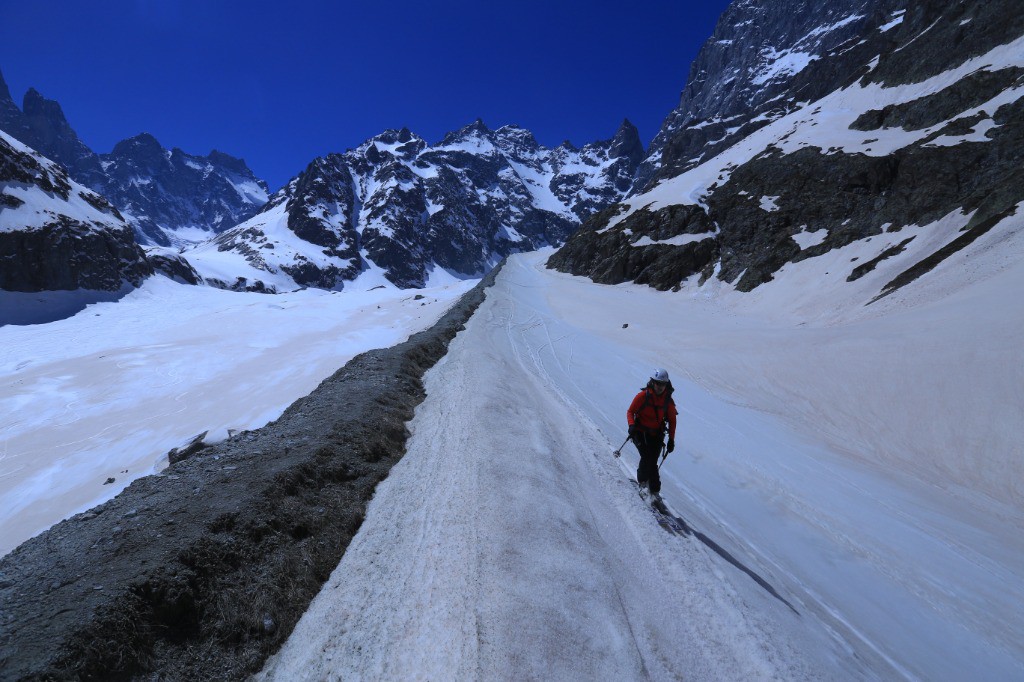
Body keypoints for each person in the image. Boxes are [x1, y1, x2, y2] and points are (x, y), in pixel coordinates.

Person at [627, 368, 677, 502]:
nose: (660, 387)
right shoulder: (643, 396)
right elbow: (630, 412)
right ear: (653, 382)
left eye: (663, 384)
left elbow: (672, 420)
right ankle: (644, 484)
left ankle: (654, 489)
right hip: (640, 432)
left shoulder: (668, 401)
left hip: (656, 435)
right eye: (658, 383)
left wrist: (671, 439)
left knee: (652, 461)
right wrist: (631, 425)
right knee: (647, 457)